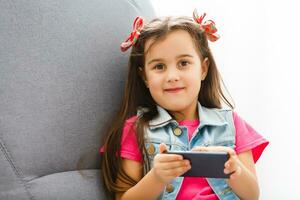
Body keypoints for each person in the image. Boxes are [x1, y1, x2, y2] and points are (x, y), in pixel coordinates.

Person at [100, 9, 269, 200]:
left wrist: (235, 169)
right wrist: (156, 177)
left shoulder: (231, 123)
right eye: (159, 67)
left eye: (183, 63)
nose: (172, 76)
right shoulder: (136, 129)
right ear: (144, 76)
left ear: (203, 69)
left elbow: (252, 195)